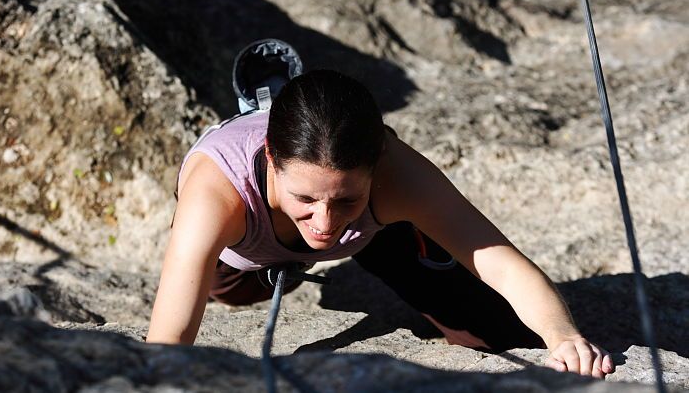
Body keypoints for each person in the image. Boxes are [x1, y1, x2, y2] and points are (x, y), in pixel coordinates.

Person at [146, 69, 615, 379]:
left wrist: (563, 336)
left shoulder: (398, 174)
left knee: (496, 333)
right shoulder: (215, 195)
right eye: (305, 198)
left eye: (345, 197)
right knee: (235, 293)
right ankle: (268, 108)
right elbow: (167, 346)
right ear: (272, 157)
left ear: (377, 163)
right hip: (244, 252)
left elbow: (503, 264)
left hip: (371, 235)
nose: (324, 222)